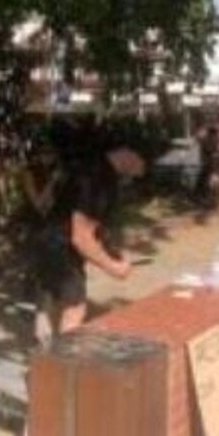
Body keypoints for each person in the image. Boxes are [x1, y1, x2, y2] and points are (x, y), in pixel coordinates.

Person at [32, 136, 147, 344]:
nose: (139, 173)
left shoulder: (88, 163)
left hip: (44, 238)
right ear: (129, 155)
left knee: (47, 308)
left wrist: (109, 250)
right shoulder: (101, 180)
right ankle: (65, 369)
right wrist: (113, 267)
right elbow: (81, 236)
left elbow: (53, 204)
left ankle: (45, 362)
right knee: (74, 310)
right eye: (141, 166)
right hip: (61, 246)